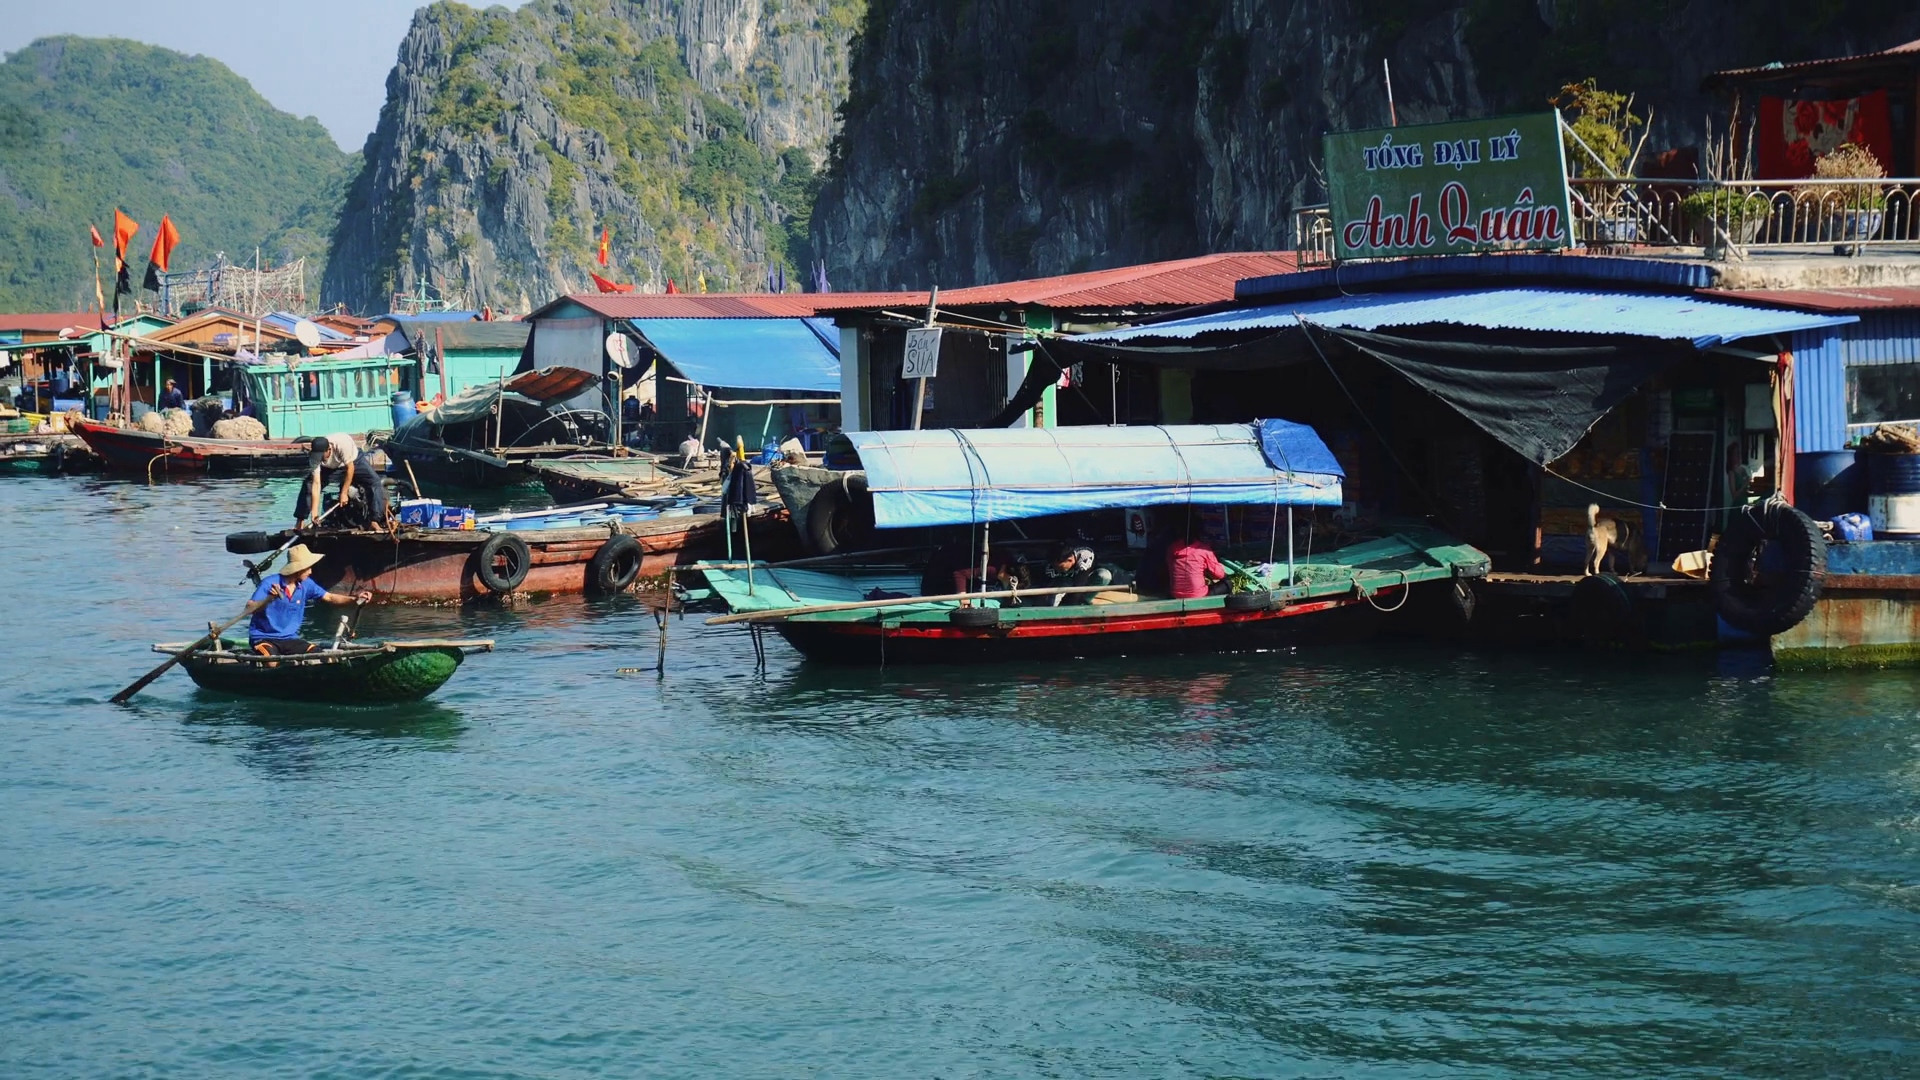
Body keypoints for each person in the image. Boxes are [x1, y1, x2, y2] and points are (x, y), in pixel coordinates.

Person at [245, 544, 373, 654]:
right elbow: (249, 608)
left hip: (290, 638)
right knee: (271, 662)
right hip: (264, 638)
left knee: (319, 655)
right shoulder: (270, 583)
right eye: (308, 568)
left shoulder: (306, 584)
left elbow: (330, 597)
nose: (311, 571)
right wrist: (269, 599)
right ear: (298, 569)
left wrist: (354, 600)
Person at [295, 432, 390, 528]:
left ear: (329, 449)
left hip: (354, 461)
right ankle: (300, 520)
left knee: (374, 481)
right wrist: (314, 513)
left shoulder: (342, 444)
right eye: (317, 456)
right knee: (308, 484)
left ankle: (374, 521)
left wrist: (344, 493)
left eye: (321, 456)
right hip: (330, 467)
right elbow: (316, 483)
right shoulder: (314, 457)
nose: (319, 459)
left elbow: (350, 468)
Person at [1167, 514, 1230, 599]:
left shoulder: (1173, 548)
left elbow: (1171, 567)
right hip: (1198, 595)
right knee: (1228, 584)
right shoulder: (1203, 549)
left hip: (1175, 594)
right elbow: (1219, 574)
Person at [1044, 540, 1119, 606]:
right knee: (1053, 600)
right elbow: (1046, 585)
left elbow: (1080, 585)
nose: (1057, 569)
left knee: (1104, 575)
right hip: (1065, 583)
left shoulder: (1085, 556)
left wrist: (1073, 605)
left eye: (1060, 567)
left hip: (1084, 582)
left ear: (1070, 560)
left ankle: (1083, 602)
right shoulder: (1051, 567)